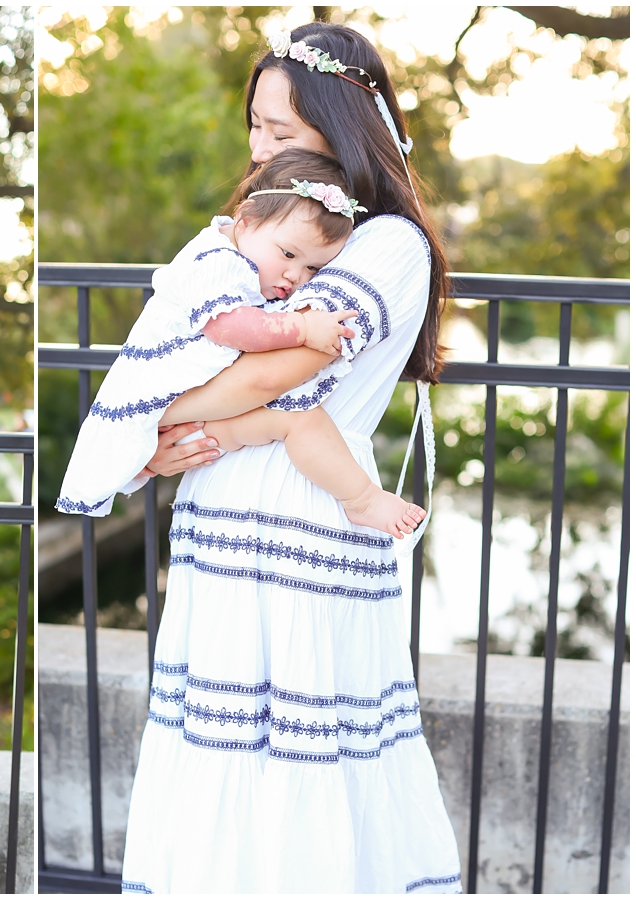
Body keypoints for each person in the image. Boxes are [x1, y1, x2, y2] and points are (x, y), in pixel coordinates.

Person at [118, 23, 459, 894]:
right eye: (256, 128)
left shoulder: (385, 243)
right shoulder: (263, 237)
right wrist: (164, 428)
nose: (260, 149)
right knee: (222, 773)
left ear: (342, 131)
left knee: (307, 775)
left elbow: (280, 367)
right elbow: (210, 350)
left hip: (304, 528)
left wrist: (147, 417)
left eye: (282, 132)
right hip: (225, 524)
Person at [56, 148, 426, 539]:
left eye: (313, 269)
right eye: (288, 254)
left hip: (191, 411)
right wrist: (302, 328)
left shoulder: (251, 258)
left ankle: (363, 499)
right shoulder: (217, 261)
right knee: (298, 419)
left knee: (297, 420)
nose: (295, 275)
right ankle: (363, 500)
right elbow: (228, 328)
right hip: (162, 397)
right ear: (245, 222)